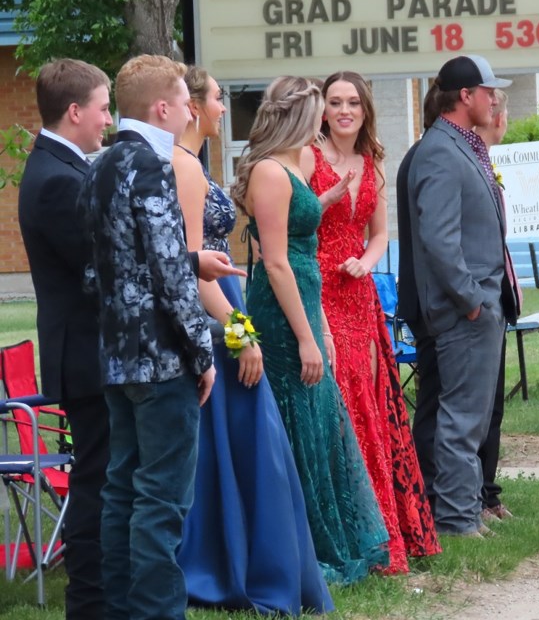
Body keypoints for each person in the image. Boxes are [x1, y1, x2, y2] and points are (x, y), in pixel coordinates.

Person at [172, 66, 333, 614]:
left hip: (232, 306)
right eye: (218, 99)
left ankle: (247, 559)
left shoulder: (196, 165)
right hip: (222, 315)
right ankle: (231, 564)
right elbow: (192, 270)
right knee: (241, 443)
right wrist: (240, 333)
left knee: (244, 445)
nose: (224, 108)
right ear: (191, 106)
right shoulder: (183, 169)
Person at [231, 76, 389, 583]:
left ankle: (324, 539)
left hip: (305, 296)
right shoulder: (271, 172)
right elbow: (275, 262)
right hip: (281, 311)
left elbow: (295, 229)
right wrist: (307, 337)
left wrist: (325, 200)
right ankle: (299, 547)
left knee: (319, 416)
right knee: (299, 414)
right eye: (320, 110)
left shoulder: (289, 165)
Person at [76, 54, 216, 620]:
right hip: (161, 361)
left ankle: (117, 611)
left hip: (116, 356)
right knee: (160, 502)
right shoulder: (153, 167)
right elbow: (168, 272)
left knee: (120, 494)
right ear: (163, 107)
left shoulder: (99, 164)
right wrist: (203, 352)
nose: (190, 109)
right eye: (185, 100)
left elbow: (99, 270)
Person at [301, 70, 440, 574]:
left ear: (364, 110)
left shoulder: (373, 162)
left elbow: (380, 234)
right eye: (334, 102)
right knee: (338, 399)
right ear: (321, 110)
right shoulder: (306, 156)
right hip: (317, 289)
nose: (343, 111)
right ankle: (345, 527)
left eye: (352, 103)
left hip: (358, 293)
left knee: (370, 403)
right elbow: (293, 223)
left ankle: (384, 528)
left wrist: (367, 259)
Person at [397, 55, 514, 538]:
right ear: (466, 97)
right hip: (460, 310)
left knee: (469, 414)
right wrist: (471, 299)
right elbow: (439, 238)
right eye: (489, 91)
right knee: (461, 418)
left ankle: (463, 513)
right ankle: (455, 519)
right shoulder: (441, 151)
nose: (494, 99)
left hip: (475, 304)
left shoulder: (459, 146)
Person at [18, 59, 113, 619]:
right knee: (96, 480)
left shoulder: (64, 167)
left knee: (100, 474)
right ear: (75, 111)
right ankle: (90, 601)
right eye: (103, 108)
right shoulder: (56, 180)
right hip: (87, 355)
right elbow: (101, 265)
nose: (108, 119)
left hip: (91, 353)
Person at [474, 89, 522, 522]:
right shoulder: (471, 163)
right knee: (478, 405)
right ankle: (478, 493)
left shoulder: (487, 162)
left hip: (498, 294)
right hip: (476, 300)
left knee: (495, 405)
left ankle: (489, 491)